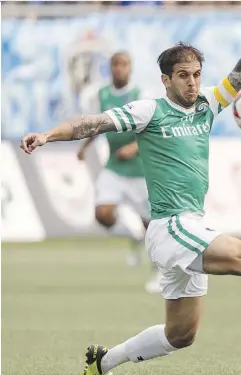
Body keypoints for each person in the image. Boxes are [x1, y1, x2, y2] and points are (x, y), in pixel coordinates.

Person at [21, 3, 241, 375]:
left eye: (196, 75)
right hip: (170, 226)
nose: (192, 83)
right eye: (183, 76)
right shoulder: (149, 111)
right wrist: (46, 136)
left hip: (189, 224)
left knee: (181, 334)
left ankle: (103, 362)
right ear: (165, 80)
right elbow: (94, 123)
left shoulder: (207, 103)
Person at [77, 52, 159, 292]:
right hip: (113, 165)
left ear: (130, 68)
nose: (119, 69)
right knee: (102, 214)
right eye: (115, 65)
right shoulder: (102, 95)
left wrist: (134, 147)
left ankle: (159, 273)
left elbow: (151, 128)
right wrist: (84, 146)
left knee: (151, 225)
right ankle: (133, 237)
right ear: (110, 68)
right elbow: (96, 124)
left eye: (124, 65)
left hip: (139, 170)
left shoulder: (140, 95)